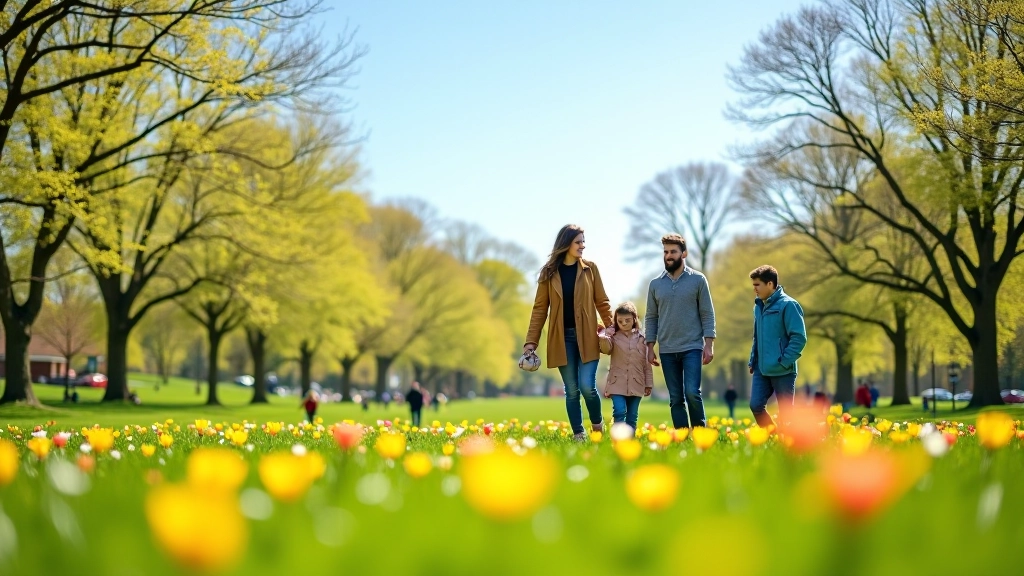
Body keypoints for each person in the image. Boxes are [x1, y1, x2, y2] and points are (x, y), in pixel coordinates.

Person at [525, 224, 614, 441]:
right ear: (566, 244)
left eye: (583, 241)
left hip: (588, 337)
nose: (583, 246)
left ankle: (597, 425)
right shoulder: (549, 273)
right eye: (578, 242)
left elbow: (602, 301)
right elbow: (539, 309)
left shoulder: (590, 269)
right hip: (562, 339)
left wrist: (611, 327)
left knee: (587, 386)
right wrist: (531, 343)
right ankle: (579, 434)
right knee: (572, 390)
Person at [645, 233, 716, 429]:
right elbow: (651, 317)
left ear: (683, 254)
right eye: (666, 252)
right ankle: (682, 436)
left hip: (692, 346)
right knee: (676, 397)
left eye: (673, 252)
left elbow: (707, 314)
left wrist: (709, 344)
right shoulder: (655, 284)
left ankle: (701, 433)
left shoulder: (698, 280)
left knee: (692, 392)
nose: (668, 255)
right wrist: (650, 346)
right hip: (667, 349)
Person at [747, 265, 807, 428]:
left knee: (787, 415)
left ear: (770, 284)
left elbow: (799, 337)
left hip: (783, 369)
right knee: (756, 405)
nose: (755, 289)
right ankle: (772, 437)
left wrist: (785, 361)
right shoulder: (758, 307)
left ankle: (789, 445)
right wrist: (753, 360)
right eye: (754, 285)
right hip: (761, 369)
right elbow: (757, 337)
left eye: (757, 285)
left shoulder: (788, 305)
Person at [599, 302, 653, 432]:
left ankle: (629, 442)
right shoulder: (613, 337)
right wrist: (603, 336)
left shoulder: (642, 339)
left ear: (635, 319)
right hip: (617, 383)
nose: (623, 323)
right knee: (619, 411)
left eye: (627, 320)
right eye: (620, 321)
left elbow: (647, 364)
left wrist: (648, 384)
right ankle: (618, 439)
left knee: (632, 416)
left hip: (637, 382)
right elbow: (606, 349)